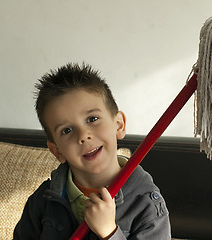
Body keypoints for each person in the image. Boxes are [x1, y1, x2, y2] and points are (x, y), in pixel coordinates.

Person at [13, 63, 171, 239]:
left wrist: (109, 233)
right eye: (67, 130)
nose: (83, 135)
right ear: (57, 151)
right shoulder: (42, 201)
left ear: (118, 125)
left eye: (92, 119)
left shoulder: (146, 205)